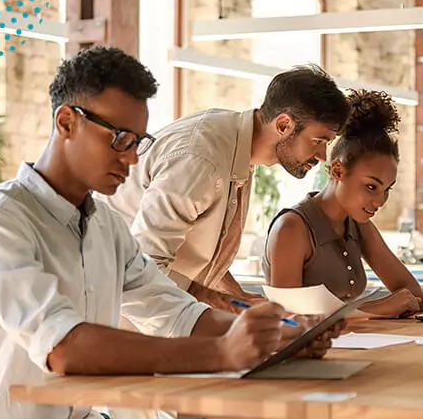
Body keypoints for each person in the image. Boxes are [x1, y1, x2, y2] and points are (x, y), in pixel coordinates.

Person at [0, 47, 333, 419]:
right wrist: (222, 353)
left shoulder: (106, 227)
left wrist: (284, 336)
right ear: (66, 122)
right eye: (119, 139)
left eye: (138, 142)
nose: (131, 158)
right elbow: (63, 347)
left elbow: (177, 313)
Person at [104, 64, 351, 312]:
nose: (322, 156)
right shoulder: (201, 160)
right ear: (284, 125)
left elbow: (199, 255)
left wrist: (238, 297)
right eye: (318, 141)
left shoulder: (235, 146)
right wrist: (223, 302)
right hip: (120, 316)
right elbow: (146, 264)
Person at [264, 90, 423, 318]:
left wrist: (361, 313)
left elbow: (415, 296)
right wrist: (373, 310)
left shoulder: (358, 225)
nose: (380, 201)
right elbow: (287, 317)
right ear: (338, 170)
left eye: (386, 189)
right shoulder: (291, 228)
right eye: (371, 186)